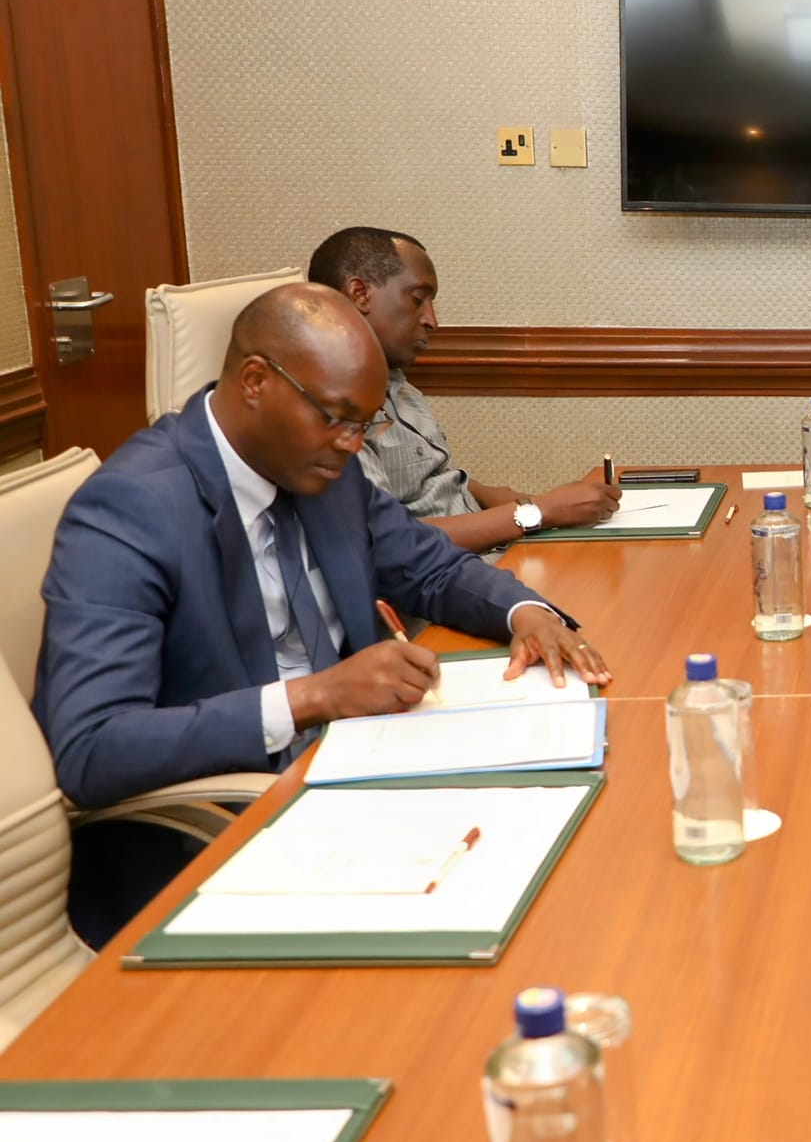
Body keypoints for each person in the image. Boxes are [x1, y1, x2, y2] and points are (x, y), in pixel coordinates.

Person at [35, 284, 611, 932]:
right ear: (256, 381)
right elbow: (91, 748)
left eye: (363, 424)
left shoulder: (317, 464)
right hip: (222, 839)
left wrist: (525, 612)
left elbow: (430, 566)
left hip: (361, 766)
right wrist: (313, 697)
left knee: (566, 861)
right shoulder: (131, 508)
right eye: (336, 417)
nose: (350, 443)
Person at [307, 227, 621, 551]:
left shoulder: (402, 390)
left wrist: (526, 501)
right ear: (360, 294)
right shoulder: (329, 409)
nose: (432, 320)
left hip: (484, 556)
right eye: (418, 300)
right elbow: (386, 543)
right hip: (443, 573)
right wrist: (538, 512)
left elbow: (434, 479)